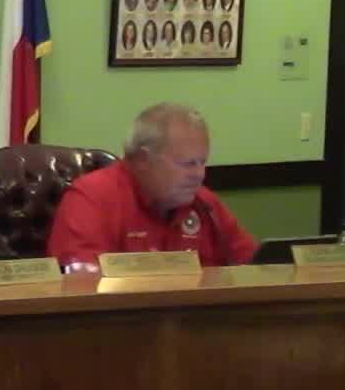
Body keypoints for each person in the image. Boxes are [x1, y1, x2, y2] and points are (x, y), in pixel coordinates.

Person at [47, 103, 257, 269]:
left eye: (202, 163)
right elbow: (80, 284)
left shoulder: (204, 203)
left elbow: (255, 266)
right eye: (187, 164)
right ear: (143, 159)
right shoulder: (92, 198)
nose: (199, 175)